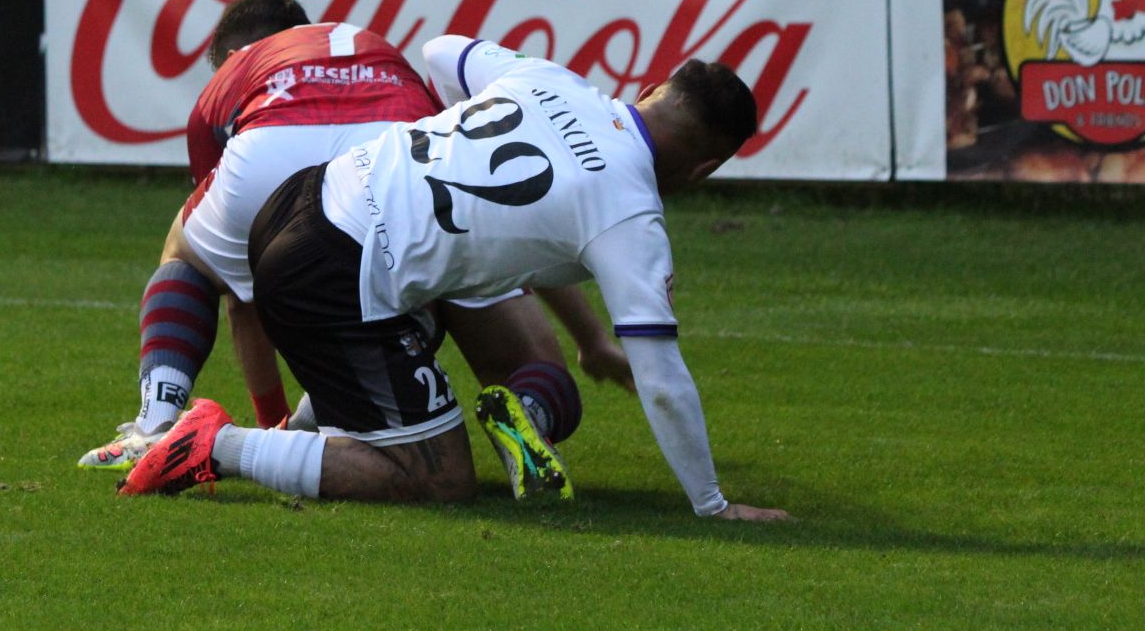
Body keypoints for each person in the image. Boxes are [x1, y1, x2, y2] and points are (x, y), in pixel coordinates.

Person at [121, 35, 789, 523]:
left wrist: (454, 130)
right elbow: (663, 379)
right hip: (339, 269)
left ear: (649, 91)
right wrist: (713, 504)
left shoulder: (553, 81)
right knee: (437, 478)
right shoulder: (631, 214)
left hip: (311, 195)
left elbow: (442, 50)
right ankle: (213, 444)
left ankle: (296, 433)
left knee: (435, 296)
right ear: (704, 170)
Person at [80, 0, 633, 473]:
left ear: (230, 57)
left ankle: (158, 424)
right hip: (395, 162)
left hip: (274, 150)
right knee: (504, 340)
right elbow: (498, 213)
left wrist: (267, 417)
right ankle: (530, 413)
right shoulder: (377, 50)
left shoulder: (235, 76)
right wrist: (592, 340)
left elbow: (241, 299)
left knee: (187, 256)